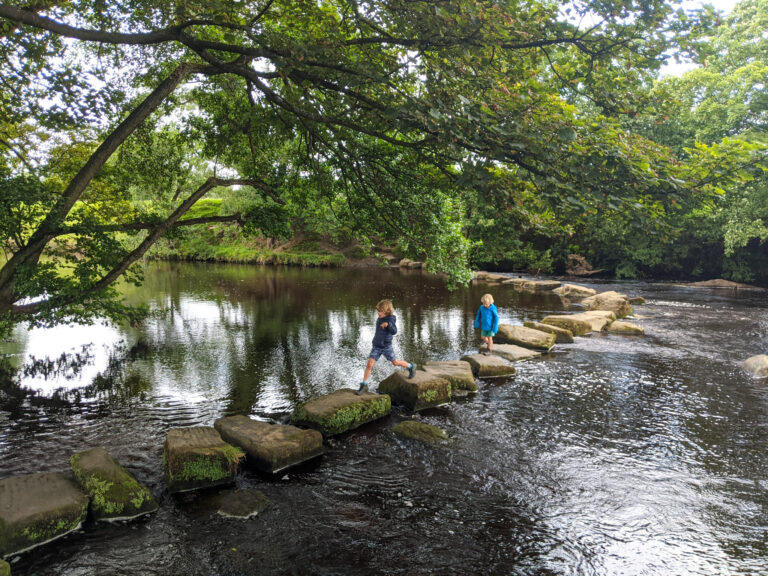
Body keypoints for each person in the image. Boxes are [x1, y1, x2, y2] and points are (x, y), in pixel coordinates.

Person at [357, 299, 415, 394]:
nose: (378, 313)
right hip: (376, 346)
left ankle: (411, 366)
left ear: (387, 311)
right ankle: (364, 384)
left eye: (380, 311)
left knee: (395, 362)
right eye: (378, 311)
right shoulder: (380, 318)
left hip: (386, 347)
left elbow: (394, 331)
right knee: (370, 364)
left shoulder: (391, 319)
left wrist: (388, 325)